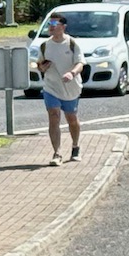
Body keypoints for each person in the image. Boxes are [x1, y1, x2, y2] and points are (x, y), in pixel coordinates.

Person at [35, 12, 85, 165]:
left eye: (55, 24)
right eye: (49, 24)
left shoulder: (72, 43)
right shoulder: (45, 45)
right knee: (54, 116)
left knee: (71, 119)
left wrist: (72, 73)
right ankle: (57, 153)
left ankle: (75, 147)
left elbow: (80, 63)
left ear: (63, 27)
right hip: (51, 87)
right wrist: (42, 67)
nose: (51, 27)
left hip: (71, 88)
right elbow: (39, 65)